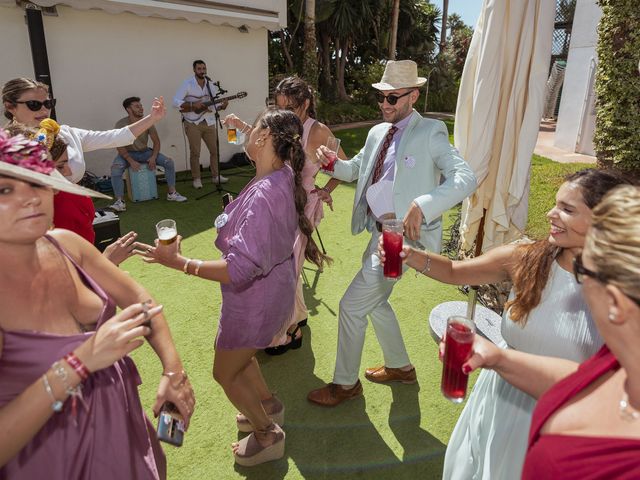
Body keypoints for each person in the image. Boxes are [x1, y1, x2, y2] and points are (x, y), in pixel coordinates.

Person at [379, 168, 632, 479]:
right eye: (555, 204)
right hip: (498, 396)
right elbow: (457, 272)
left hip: (559, 414)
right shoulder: (528, 259)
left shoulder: (624, 297)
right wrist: (409, 255)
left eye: (567, 210)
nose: (551, 214)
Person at [0, 128, 195, 478]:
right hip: (56, 461)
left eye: (39, 181)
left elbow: (139, 298)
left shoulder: (65, 244)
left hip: (124, 426)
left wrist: (173, 371)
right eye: (6, 188)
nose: (31, 199)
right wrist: (81, 361)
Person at [140, 108, 326, 466]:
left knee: (224, 372)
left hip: (255, 301)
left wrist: (181, 263)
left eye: (252, 128)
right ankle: (268, 404)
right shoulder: (280, 174)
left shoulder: (265, 192)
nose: (246, 133)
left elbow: (240, 269)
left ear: (264, 138)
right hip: (270, 294)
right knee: (242, 357)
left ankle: (267, 432)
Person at [307, 59, 477, 407]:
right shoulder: (376, 132)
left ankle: (345, 384)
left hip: (401, 240)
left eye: (393, 98)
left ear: (413, 96)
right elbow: (356, 169)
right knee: (376, 301)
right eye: (381, 97)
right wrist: (331, 164)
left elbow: (466, 178)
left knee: (352, 306)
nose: (385, 104)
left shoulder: (430, 132)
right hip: (377, 231)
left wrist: (424, 204)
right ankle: (400, 367)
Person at [456, 185, 640, 478]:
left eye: (586, 273)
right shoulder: (617, 360)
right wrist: (499, 359)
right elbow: (585, 382)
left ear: (615, 302)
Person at [226, 76, 342, 355]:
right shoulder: (283, 125)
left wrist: (326, 189)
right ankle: (296, 317)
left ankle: (288, 331)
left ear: (306, 104)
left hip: (300, 209)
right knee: (286, 267)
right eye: (279, 106)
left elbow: (343, 165)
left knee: (286, 270)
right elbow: (260, 139)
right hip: (275, 206)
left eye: (290, 106)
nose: (285, 111)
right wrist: (240, 126)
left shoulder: (318, 131)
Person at [6, 120, 142, 267]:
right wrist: (108, 261)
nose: (69, 171)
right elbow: (67, 279)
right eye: (60, 166)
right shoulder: (61, 207)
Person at [2, 77, 168, 185]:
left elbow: (115, 137)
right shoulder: (6, 146)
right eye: (34, 105)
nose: (44, 110)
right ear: (10, 106)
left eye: (48, 103)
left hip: (77, 207)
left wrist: (152, 118)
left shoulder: (66, 133)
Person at [109, 96, 187, 212]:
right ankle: (120, 202)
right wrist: (130, 161)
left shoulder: (147, 122)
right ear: (128, 110)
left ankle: (172, 193)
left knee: (168, 162)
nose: (141, 108)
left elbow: (156, 141)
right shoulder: (121, 124)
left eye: (141, 106)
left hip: (145, 152)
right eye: (137, 106)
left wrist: (153, 157)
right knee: (115, 170)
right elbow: (119, 146)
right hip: (127, 154)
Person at [172, 60, 229, 188]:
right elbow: (175, 102)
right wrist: (192, 105)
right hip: (192, 122)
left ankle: (215, 176)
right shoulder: (188, 83)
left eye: (204, 68)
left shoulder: (210, 84)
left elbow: (214, 105)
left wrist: (222, 106)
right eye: (199, 69)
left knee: (215, 150)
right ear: (194, 70)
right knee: (195, 152)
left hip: (208, 121)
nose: (202, 71)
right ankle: (196, 179)